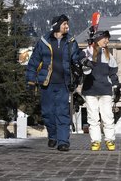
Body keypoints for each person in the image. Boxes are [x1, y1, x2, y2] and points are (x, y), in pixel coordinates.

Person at [26, 14, 82, 151]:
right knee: (48, 113)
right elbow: (33, 62)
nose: (67, 26)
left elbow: (76, 58)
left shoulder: (71, 41)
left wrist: (83, 60)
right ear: (57, 25)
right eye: (64, 24)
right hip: (47, 83)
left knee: (62, 112)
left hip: (64, 83)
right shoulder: (44, 42)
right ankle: (53, 135)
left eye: (67, 24)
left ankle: (63, 141)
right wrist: (31, 80)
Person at [81, 30, 121, 151]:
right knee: (93, 117)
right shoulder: (87, 51)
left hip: (105, 90)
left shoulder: (109, 55)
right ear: (98, 39)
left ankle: (110, 139)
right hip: (90, 90)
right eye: (105, 38)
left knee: (107, 116)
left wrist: (116, 86)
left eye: (108, 39)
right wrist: (88, 56)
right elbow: (82, 64)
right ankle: (96, 141)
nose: (107, 41)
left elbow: (113, 73)